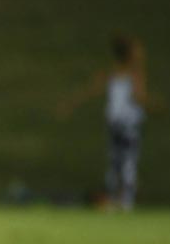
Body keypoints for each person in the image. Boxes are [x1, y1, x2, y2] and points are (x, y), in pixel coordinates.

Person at [58, 33, 154, 211]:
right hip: (129, 124)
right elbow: (138, 97)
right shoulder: (135, 74)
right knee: (128, 161)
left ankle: (112, 198)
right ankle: (125, 201)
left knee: (115, 161)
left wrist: (70, 103)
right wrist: (155, 105)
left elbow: (90, 90)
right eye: (138, 50)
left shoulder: (111, 73)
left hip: (114, 123)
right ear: (130, 54)